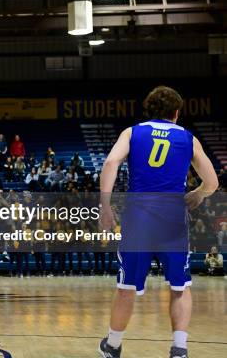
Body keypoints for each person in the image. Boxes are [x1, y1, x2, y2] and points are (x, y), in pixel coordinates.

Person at [98, 86, 218, 358]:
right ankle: (179, 348)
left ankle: (113, 345)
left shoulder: (132, 132)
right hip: (173, 216)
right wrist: (197, 194)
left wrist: (105, 206)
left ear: (148, 110)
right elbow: (211, 182)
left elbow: (110, 163)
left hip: (139, 216)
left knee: (127, 287)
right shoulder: (188, 138)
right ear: (176, 113)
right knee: (180, 286)